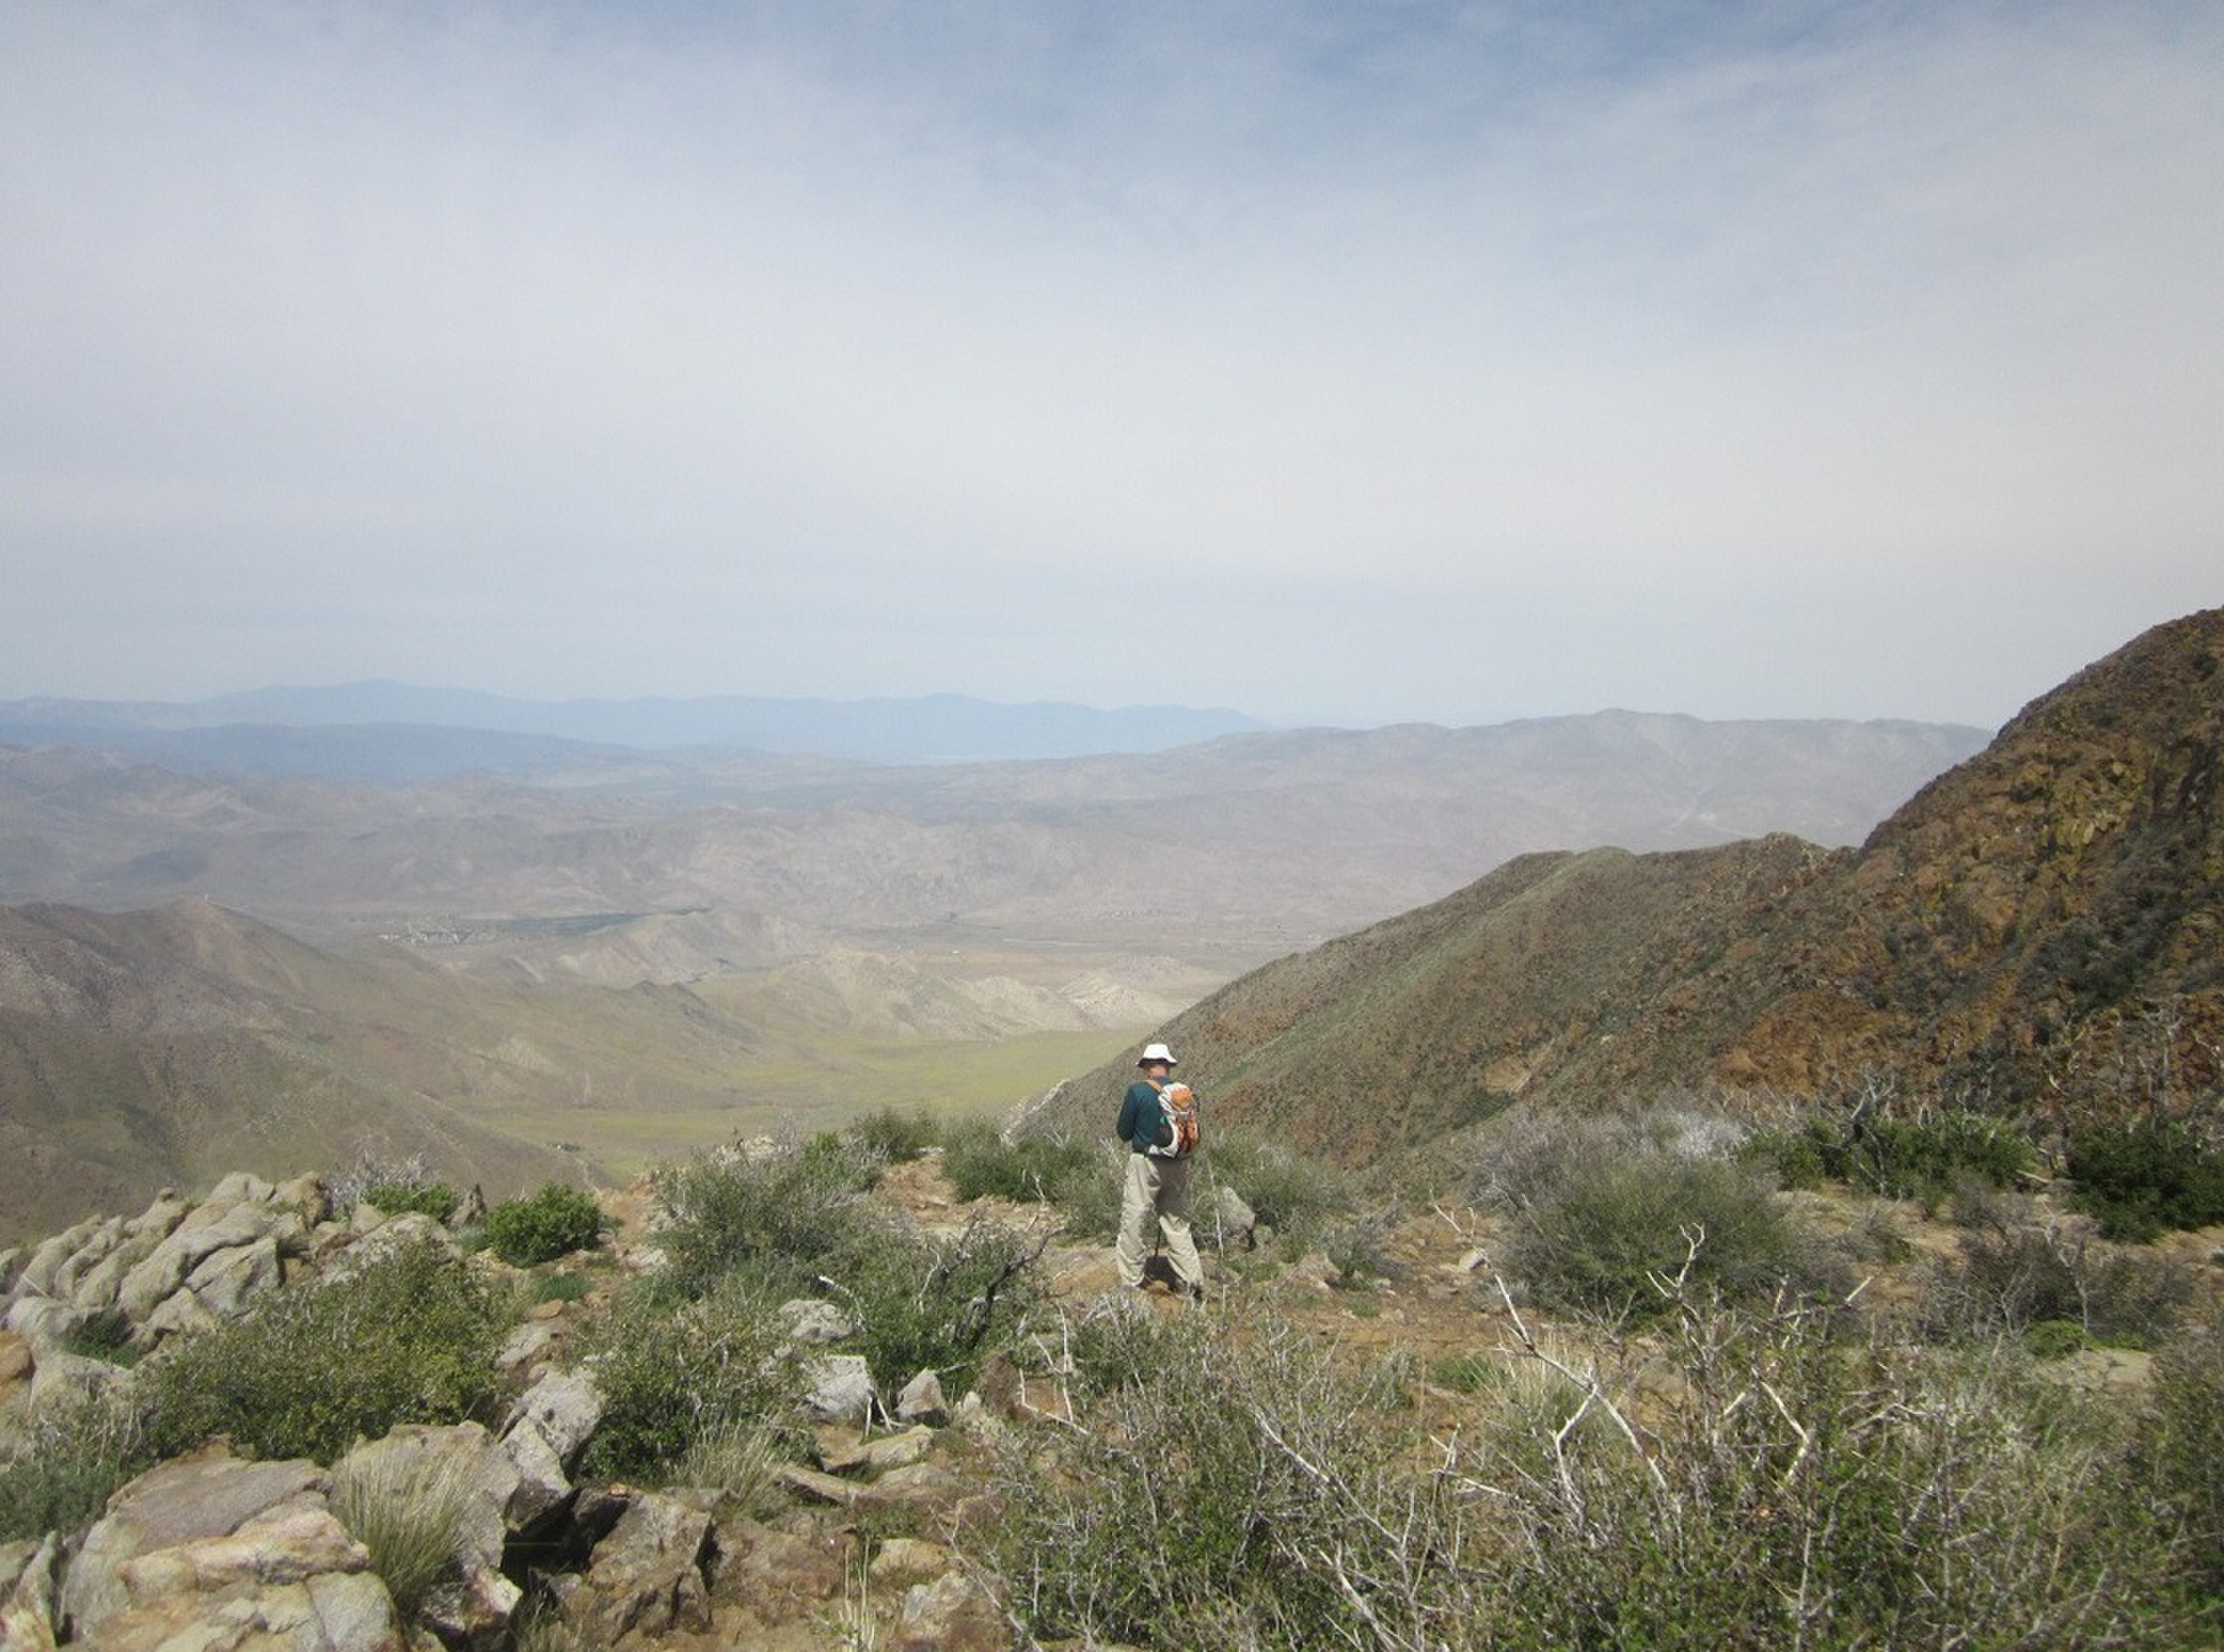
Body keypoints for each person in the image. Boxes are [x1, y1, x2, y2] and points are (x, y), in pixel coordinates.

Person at [1115, 1041, 1204, 1298]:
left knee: (1135, 1218)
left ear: (1145, 1067)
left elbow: (1123, 1132)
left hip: (1147, 1163)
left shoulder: (1138, 1092)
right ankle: (1190, 1282)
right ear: (1167, 1066)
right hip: (1179, 1164)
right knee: (1177, 1224)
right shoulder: (1182, 1094)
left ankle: (1131, 1282)